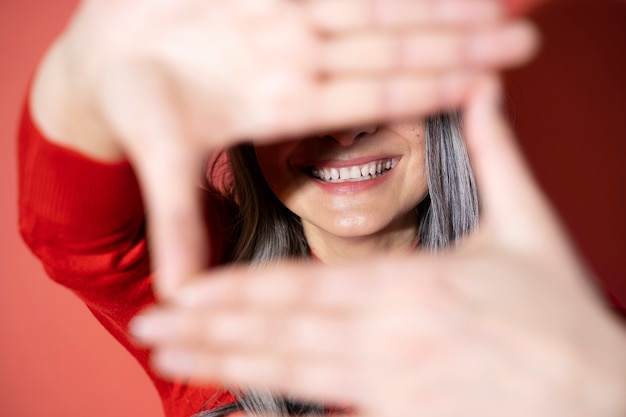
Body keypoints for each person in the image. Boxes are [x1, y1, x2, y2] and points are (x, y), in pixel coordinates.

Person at [18, 1, 626, 417]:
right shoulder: (206, 295)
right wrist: (81, 77)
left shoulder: (565, 334)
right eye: (309, 85)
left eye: (381, 72)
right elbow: (70, 229)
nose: (344, 129)